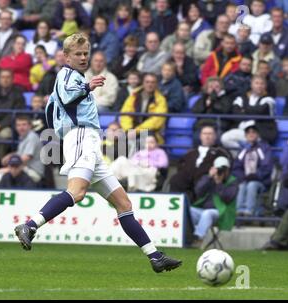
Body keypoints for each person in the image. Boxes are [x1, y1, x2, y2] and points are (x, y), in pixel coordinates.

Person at [14, 33, 182, 273]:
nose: (83, 58)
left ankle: (155, 256)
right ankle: (30, 225)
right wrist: (87, 87)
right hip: (81, 136)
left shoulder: (76, 77)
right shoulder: (66, 74)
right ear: (66, 56)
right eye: (78, 54)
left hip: (89, 141)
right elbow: (65, 98)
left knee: (123, 203)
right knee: (77, 192)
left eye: (85, 53)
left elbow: (54, 107)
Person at [170, 124, 232, 203]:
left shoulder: (221, 152)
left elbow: (225, 165)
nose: (207, 136)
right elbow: (181, 164)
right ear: (200, 136)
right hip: (187, 177)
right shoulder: (191, 152)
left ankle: (194, 204)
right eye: (205, 134)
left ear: (215, 136)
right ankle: (179, 205)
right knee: (176, 179)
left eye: (210, 134)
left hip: (206, 177)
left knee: (203, 181)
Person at [190, 156, 238, 248]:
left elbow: (228, 198)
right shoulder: (208, 178)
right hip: (203, 210)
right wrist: (209, 177)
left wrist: (219, 183)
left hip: (221, 213)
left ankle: (198, 239)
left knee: (207, 213)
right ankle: (186, 238)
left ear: (228, 170)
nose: (221, 172)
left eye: (223, 169)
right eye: (218, 169)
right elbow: (198, 191)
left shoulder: (233, 181)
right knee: (187, 211)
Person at [232, 121, 273, 217]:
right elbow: (236, 167)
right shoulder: (243, 150)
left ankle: (249, 211)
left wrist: (255, 176)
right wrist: (243, 177)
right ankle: (239, 211)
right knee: (242, 185)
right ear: (245, 135)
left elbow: (267, 166)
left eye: (253, 132)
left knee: (252, 185)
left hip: (261, 181)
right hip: (244, 180)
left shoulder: (264, 148)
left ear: (257, 135)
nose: (251, 134)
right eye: (248, 133)